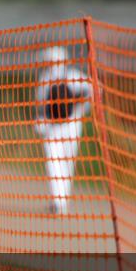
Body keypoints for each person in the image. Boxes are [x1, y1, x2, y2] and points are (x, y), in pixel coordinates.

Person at [33, 46, 93, 215]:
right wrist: (42, 120)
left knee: (67, 162)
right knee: (54, 161)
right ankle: (58, 201)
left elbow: (94, 90)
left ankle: (62, 200)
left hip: (71, 125)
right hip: (53, 126)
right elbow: (42, 105)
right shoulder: (45, 79)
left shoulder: (74, 76)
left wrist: (79, 107)